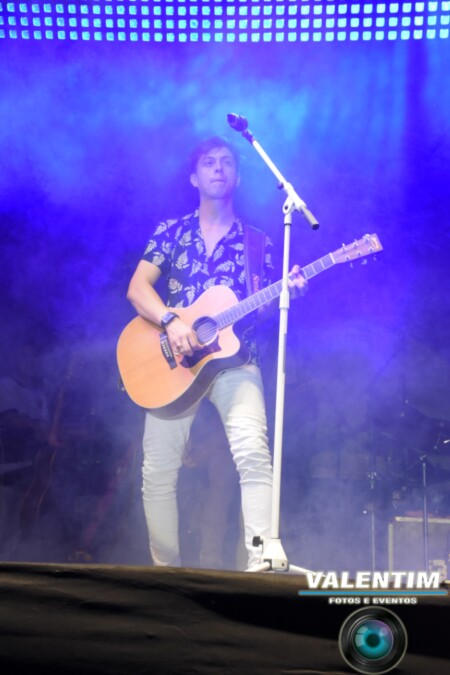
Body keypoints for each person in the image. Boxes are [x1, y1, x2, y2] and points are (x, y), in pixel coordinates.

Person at [126, 135, 307, 569]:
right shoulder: (171, 231)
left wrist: (286, 293)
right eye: (209, 162)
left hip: (235, 362)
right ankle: (166, 570)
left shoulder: (258, 243)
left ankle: (261, 560)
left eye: (227, 161)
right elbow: (137, 289)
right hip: (172, 363)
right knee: (158, 469)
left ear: (238, 177)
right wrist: (172, 321)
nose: (219, 168)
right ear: (194, 177)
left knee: (253, 454)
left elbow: (259, 312)